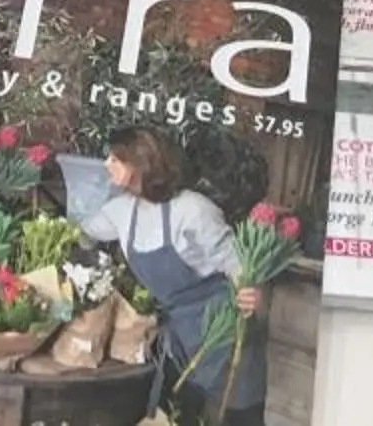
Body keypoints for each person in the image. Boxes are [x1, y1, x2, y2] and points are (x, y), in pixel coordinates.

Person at [74, 127, 266, 426]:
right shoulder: (121, 211)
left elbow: (240, 266)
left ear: (140, 162)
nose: (106, 164)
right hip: (177, 335)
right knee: (177, 415)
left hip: (223, 330)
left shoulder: (193, 210)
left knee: (238, 416)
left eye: (115, 158)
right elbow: (81, 234)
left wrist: (250, 293)